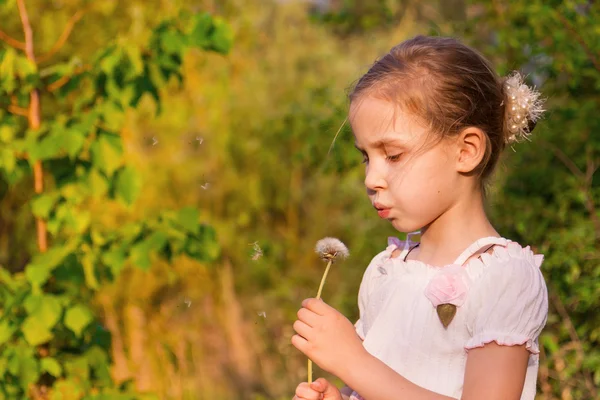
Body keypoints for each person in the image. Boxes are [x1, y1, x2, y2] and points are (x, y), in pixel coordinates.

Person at [291, 35, 549, 400]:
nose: (370, 179)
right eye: (367, 157)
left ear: (466, 151)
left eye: (393, 155)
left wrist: (354, 361)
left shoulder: (505, 278)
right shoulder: (386, 269)